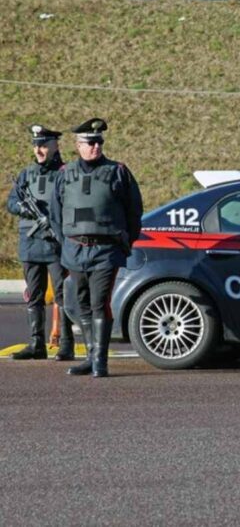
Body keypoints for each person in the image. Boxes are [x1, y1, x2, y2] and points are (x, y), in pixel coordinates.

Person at [50, 118, 143, 378]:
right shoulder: (65, 174)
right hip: (75, 250)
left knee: (99, 302)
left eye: (99, 142)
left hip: (105, 250)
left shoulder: (118, 172)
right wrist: (65, 242)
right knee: (80, 304)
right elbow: (56, 215)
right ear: (78, 145)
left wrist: (125, 242)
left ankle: (100, 362)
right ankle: (90, 356)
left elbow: (134, 212)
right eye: (90, 142)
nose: (96, 146)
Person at [6, 125, 75, 361]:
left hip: (54, 244)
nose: (39, 149)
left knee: (62, 295)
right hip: (30, 243)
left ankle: (66, 344)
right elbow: (11, 202)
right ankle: (36, 344)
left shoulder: (65, 174)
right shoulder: (27, 174)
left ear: (55, 146)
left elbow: (72, 206)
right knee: (34, 296)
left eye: (43, 144)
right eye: (36, 145)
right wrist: (23, 209)